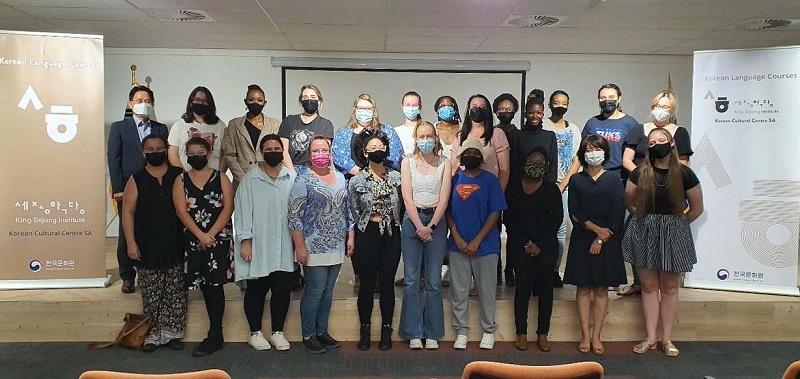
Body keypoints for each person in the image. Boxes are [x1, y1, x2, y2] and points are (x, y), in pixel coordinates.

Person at [623, 128, 704, 357]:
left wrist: (676, 225)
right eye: (652, 141)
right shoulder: (639, 172)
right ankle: (650, 337)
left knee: (669, 287)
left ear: (672, 144)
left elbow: (697, 208)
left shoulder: (685, 173)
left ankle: (666, 339)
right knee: (648, 287)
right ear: (647, 146)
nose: (657, 143)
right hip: (645, 230)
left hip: (674, 230)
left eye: (662, 140)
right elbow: (629, 201)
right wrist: (646, 220)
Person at [618, 89, 693, 297]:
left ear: (673, 110)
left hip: (669, 191)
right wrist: (643, 177)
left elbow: (683, 162)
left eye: (666, 107)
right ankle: (640, 283)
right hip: (641, 189)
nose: (661, 110)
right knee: (634, 234)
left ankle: (664, 283)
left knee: (666, 238)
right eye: (658, 106)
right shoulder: (638, 129)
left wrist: (661, 177)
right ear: (652, 107)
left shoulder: (680, 132)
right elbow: (627, 160)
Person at [120, 134, 186, 352]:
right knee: (151, 292)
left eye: (159, 147)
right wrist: (131, 243)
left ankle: (173, 333)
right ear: (143, 152)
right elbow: (127, 213)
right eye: (150, 148)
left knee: (175, 290)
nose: (155, 151)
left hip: (175, 241)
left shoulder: (179, 175)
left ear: (166, 149)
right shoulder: (136, 178)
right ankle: (152, 335)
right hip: (146, 242)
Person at [289, 136, 354, 354]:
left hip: (336, 244)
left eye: (324, 150)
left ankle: (321, 331)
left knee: (328, 291)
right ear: (309, 154)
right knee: (315, 291)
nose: (320, 154)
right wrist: (300, 247)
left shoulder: (339, 177)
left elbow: (347, 210)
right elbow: (294, 217)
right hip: (312, 245)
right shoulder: (303, 179)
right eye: (316, 151)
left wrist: (350, 236)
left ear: (330, 152)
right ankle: (308, 334)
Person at [563, 135, 627, 355]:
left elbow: (618, 212)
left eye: (597, 148)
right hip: (582, 238)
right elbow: (574, 212)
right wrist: (594, 230)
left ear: (605, 152)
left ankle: (596, 336)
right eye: (589, 149)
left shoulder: (614, 179)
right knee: (583, 288)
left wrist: (601, 237)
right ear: (583, 153)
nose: (593, 152)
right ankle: (584, 335)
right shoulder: (576, 180)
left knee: (601, 289)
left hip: (608, 239)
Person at [233, 134, 296, 352]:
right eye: (267, 148)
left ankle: (278, 332)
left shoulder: (291, 177)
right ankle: (255, 332)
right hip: (257, 244)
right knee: (256, 290)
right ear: (261, 151)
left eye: (276, 148)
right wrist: (245, 241)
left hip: (284, 244)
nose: (272, 151)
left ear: (282, 151)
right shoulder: (251, 178)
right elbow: (242, 212)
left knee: (281, 290)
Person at [172, 137, 234, 357]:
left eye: (201, 152)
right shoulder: (180, 180)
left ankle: (216, 333)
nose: (196, 156)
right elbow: (181, 211)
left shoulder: (221, 177)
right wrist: (200, 235)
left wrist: (210, 234)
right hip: (194, 240)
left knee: (215, 286)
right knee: (204, 285)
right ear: (186, 155)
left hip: (218, 239)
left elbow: (228, 207)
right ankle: (214, 333)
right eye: (191, 153)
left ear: (209, 154)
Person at [107, 85, 169, 293]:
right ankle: (127, 275)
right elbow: (113, 159)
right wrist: (117, 187)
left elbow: (165, 157)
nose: (144, 104)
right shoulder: (119, 127)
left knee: (150, 229)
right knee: (127, 232)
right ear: (131, 104)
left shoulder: (160, 129)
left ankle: (146, 272)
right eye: (139, 100)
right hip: (127, 186)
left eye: (148, 100)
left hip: (154, 186)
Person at [447, 138, 507, 351]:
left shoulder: (490, 180)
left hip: (486, 247)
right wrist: (458, 237)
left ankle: (488, 331)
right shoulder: (453, 180)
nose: (471, 155)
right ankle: (461, 331)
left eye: (475, 152)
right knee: (459, 291)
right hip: (457, 246)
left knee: (486, 291)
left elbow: (495, 212)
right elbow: (448, 213)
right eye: (467, 152)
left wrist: (477, 240)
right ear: (461, 157)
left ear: (481, 157)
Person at [398, 121, 452, 350]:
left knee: (433, 281)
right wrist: (419, 225)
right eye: (422, 135)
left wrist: (431, 226)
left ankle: (432, 331)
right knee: (411, 280)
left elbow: (444, 197)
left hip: (436, 224)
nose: (426, 139)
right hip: (412, 222)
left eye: (430, 135)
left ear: (436, 138)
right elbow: (407, 197)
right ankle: (412, 331)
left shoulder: (445, 163)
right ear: (415, 138)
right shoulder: (407, 162)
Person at [348, 134, 402, 351]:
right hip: (367, 232)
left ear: (386, 150)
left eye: (381, 146)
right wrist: (352, 236)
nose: (377, 149)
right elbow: (353, 211)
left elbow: (403, 206)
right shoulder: (356, 181)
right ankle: (365, 330)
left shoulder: (397, 177)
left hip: (391, 232)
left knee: (387, 282)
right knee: (367, 283)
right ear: (365, 152)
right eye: (372, 147)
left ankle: (387, 332)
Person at [505, 147, 562, 352]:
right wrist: (525, 243)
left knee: (545, 291)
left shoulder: (551, 189)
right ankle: (521, 333)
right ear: (524, 163)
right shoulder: (513, 188)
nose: (536, 165)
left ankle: (542, 334)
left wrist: (538, 244)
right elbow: (508, 219)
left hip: (545, 248)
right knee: (522, 290)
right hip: (520, 247)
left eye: (540, 162)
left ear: (546, 166)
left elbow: (556, 219)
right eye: (532, 161)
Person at [450, 94, 510, 285]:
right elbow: (453, 168)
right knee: (462, 238)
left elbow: (504, 169)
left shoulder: (497, 134)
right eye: (473, 105)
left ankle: (490, 280)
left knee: (488, 239)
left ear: (488, 110)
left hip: (488, 197)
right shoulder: (461, 135)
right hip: (463, 197)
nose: (477, 109)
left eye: (481, 106)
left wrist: (495, 199)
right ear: (467, 109)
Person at [542, 90, 582, 288]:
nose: (560, 105)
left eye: (564, 102)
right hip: (543, 186)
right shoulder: (543, 125)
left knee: (560, 230)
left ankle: (554, 271)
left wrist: (563, 183)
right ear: (549, 104)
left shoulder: (573, 129)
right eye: (556, 102)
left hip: (564, 188)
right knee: (541, 229)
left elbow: (577, 158)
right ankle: (539, 269)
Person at [222, 84, 282, 188]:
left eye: (259, 100)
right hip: (242, 180)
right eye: (251, 100)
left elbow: (279, 152)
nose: (255, 103)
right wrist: (243, 179)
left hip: (269, 178)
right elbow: (229, 154)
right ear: (245, 101)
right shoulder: (234, 125)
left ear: (265, 103)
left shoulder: (275, 124)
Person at [333, 94, 404, 177]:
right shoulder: (342, 134)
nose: (364, 111)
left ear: (374, 111)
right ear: (355, 110)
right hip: (354, 181)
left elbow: (395, 157)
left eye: (368, 109)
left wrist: (378, 174)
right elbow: (340, 160)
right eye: (361, 108)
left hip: (384, 179)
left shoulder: (387, 131)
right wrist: (363, 176)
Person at [581, 83, 640, 179]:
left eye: (611, 97)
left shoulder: (630, 123)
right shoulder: (592, 122)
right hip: (593, 175)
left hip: (620, 176)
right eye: (603, 98)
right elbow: (582, 150)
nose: (607, 100)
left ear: (619, 98)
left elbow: (637, 153)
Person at [168, 86, 228, 172]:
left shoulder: (220, 126)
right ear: (191, 102)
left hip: (213, 176)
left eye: (204, 101)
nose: (200, 103)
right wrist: (183, 175)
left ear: (210, 104)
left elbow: (226, 155)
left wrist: (219, 175)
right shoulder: (179, 126)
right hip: (186, 176)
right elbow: (172, 154)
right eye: (197, 99)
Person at [278, 84, 334, 168]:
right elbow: (283, 150)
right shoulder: (289, 121)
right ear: (300, 101)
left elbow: (323, 153)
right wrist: (292, 173)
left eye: (312, 97)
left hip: (315, 171)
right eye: (305, 97)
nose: (309, 100)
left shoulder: (326, 124)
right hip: (291, 169)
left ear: (319, 101)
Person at [394, 91, 423, 157]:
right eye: (408, 105)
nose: (411, 108)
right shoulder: (396, 131)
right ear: (402, 106)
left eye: (415, 105)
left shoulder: (425, 129)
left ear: (420, 107)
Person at [433, 95, 461, 161]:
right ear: (437, 110)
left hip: (460, 169)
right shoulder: (433, 129)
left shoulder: (463, 128)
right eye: (442, 106)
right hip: (438, 168)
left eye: (450, 106)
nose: (446, 108)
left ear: (455, 109)